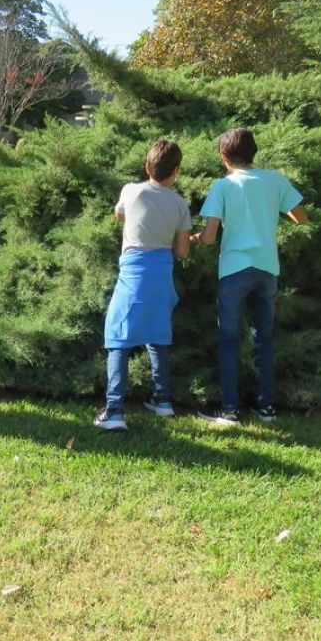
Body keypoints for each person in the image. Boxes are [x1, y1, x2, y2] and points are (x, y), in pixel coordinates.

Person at [192, 127, 308, 426]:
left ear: (223, 156)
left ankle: (229, 410)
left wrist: (194, 238)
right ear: (254, 152)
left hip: (233, 270)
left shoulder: (223, 186)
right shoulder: (275, 180)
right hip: (267, 268)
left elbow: (209, 237)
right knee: (264, 340)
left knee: (229, 339)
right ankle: (266, 408)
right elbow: (301, 217)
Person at [94, 139, 192, 431]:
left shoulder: (131, 190)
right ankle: (162, 401)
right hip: (162, 275)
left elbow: (119, 215)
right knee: (158, 335)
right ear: (176, 171)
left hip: (134, 274)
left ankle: (114, 412)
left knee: (117, 339)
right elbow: (183, 251)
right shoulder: (180, 203)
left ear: (147, 165)